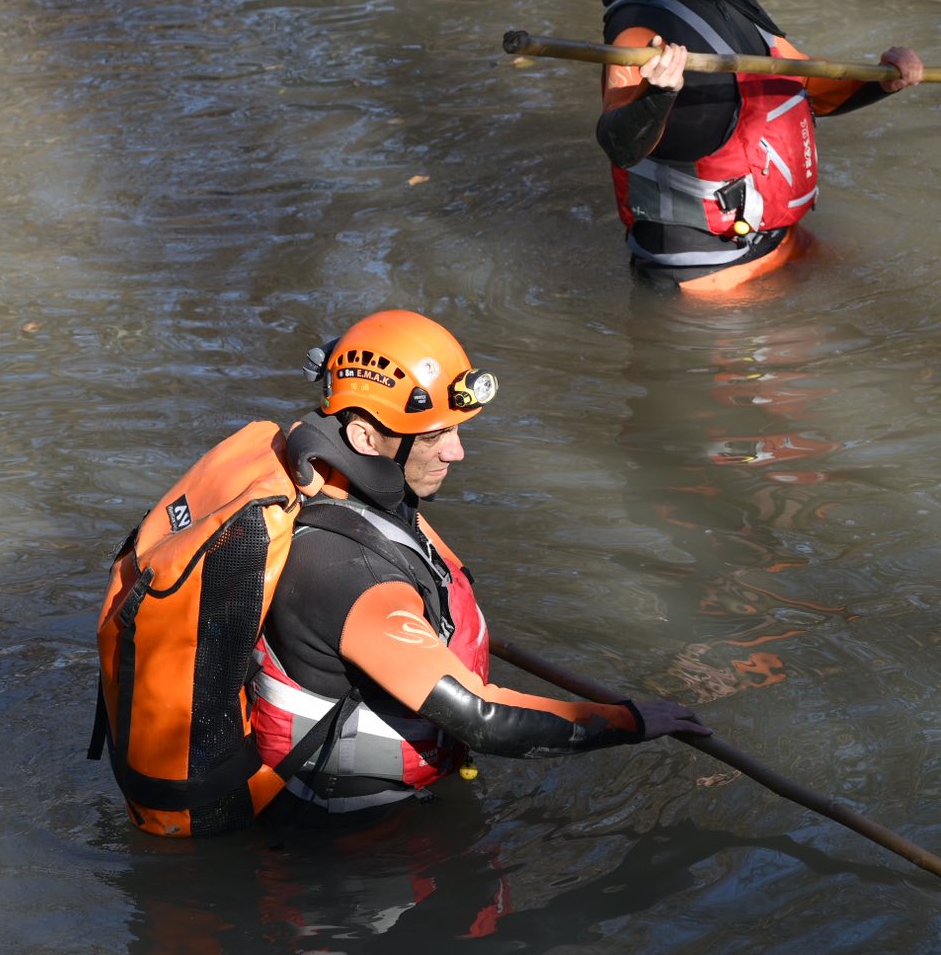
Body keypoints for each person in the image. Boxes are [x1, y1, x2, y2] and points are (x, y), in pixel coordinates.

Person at [250, 308, 710, 823]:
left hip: (387, 805)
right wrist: (629, 722)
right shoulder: (350, 570)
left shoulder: (352, 497)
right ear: (363, 439)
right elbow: (483, 720)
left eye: (456, 430)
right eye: (432, 436)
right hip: (346, 844)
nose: (457, 451)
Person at [595, 0, 924, 293]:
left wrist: (882, 81)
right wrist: (658, 94)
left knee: (876, 293)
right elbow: (619, 143)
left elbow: (803, 82)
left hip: (776, 238)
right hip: (702, 271)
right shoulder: (643, 22)